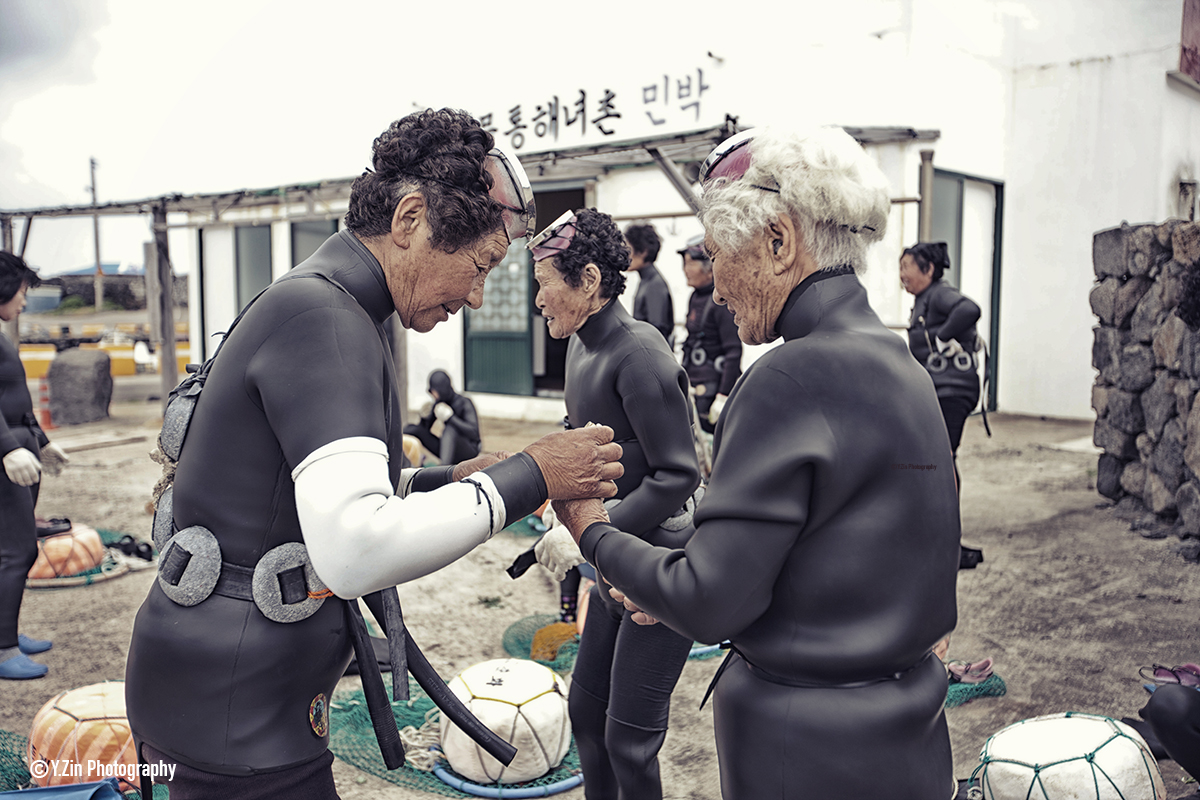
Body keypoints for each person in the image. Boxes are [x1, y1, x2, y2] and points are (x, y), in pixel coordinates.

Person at [125, 109, 624, 800]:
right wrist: (530, 473)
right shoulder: (327, 321)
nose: (477, 296)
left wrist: (450, 478)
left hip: (219, 696)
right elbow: (354, 546)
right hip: (237, 719)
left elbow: (294, 492)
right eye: (479, 267)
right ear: (410, 217)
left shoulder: (316, 303)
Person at [554, 127, 962, 799]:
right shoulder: (902, 365)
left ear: (778, 241)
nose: (715, 288)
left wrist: (592, 530)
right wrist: (671, 583)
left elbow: (711, 600)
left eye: (717, 256)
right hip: (908, 733)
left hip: (803, 751)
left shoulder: (788, 379)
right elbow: (840, 560)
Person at [527, 208, 700, 800]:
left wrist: (588, 530)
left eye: (546, 283)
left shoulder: (639, 355)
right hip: (612, 560)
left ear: (590, 280)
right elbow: (582, 448)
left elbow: (678, 475)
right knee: (586, 716)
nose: (539, 300)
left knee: (630, 740)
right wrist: (559, 503)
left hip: (660, 565)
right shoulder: (580, 348)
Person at [0, 251, 69, 680]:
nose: (24, 301)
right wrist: (7, 448)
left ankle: (7, 632)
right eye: (23, 292)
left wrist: (41, 441)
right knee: (16, 550)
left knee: (11, 551)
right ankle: (4, 648)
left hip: (22, 453)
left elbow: (14, 400)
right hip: (6, 460)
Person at [899, 241, 982, 485]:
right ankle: (940, 514)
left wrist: (943, 336)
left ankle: (947, 519)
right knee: (937, 455)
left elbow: (969, 309)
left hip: (952, 389)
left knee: (944, 455)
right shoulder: (925, 298)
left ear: (928, 270)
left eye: (906, 267)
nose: (902, 274)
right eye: (900, 268)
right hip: (939, 389)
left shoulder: (939, 293)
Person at [678, 234, 741, 433]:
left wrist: (723, 396)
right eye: (685, 264)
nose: (685, 270)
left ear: (708, 269)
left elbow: (733, 351)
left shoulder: (720, 301)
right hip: (695, 388)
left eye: (690, 264)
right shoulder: (695, 296)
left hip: (714, 390)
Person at [403, 369, 481, 464]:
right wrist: (425, 418)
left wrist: (451, 418)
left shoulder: (464, 402)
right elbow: (424, 430)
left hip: (469, 450)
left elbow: (474, 433)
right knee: (412, 429)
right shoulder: (439, 404)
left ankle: (443, 469)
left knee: (450, 429)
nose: (433, 395)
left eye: (435, 391)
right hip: (448, 448)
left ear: (442, 389)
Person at [623, 222, 674, 346]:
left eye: (628, 250)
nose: (624, 255)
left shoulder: (654, 284)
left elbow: (658, 331)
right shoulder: (646, 280)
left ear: (643, 251)